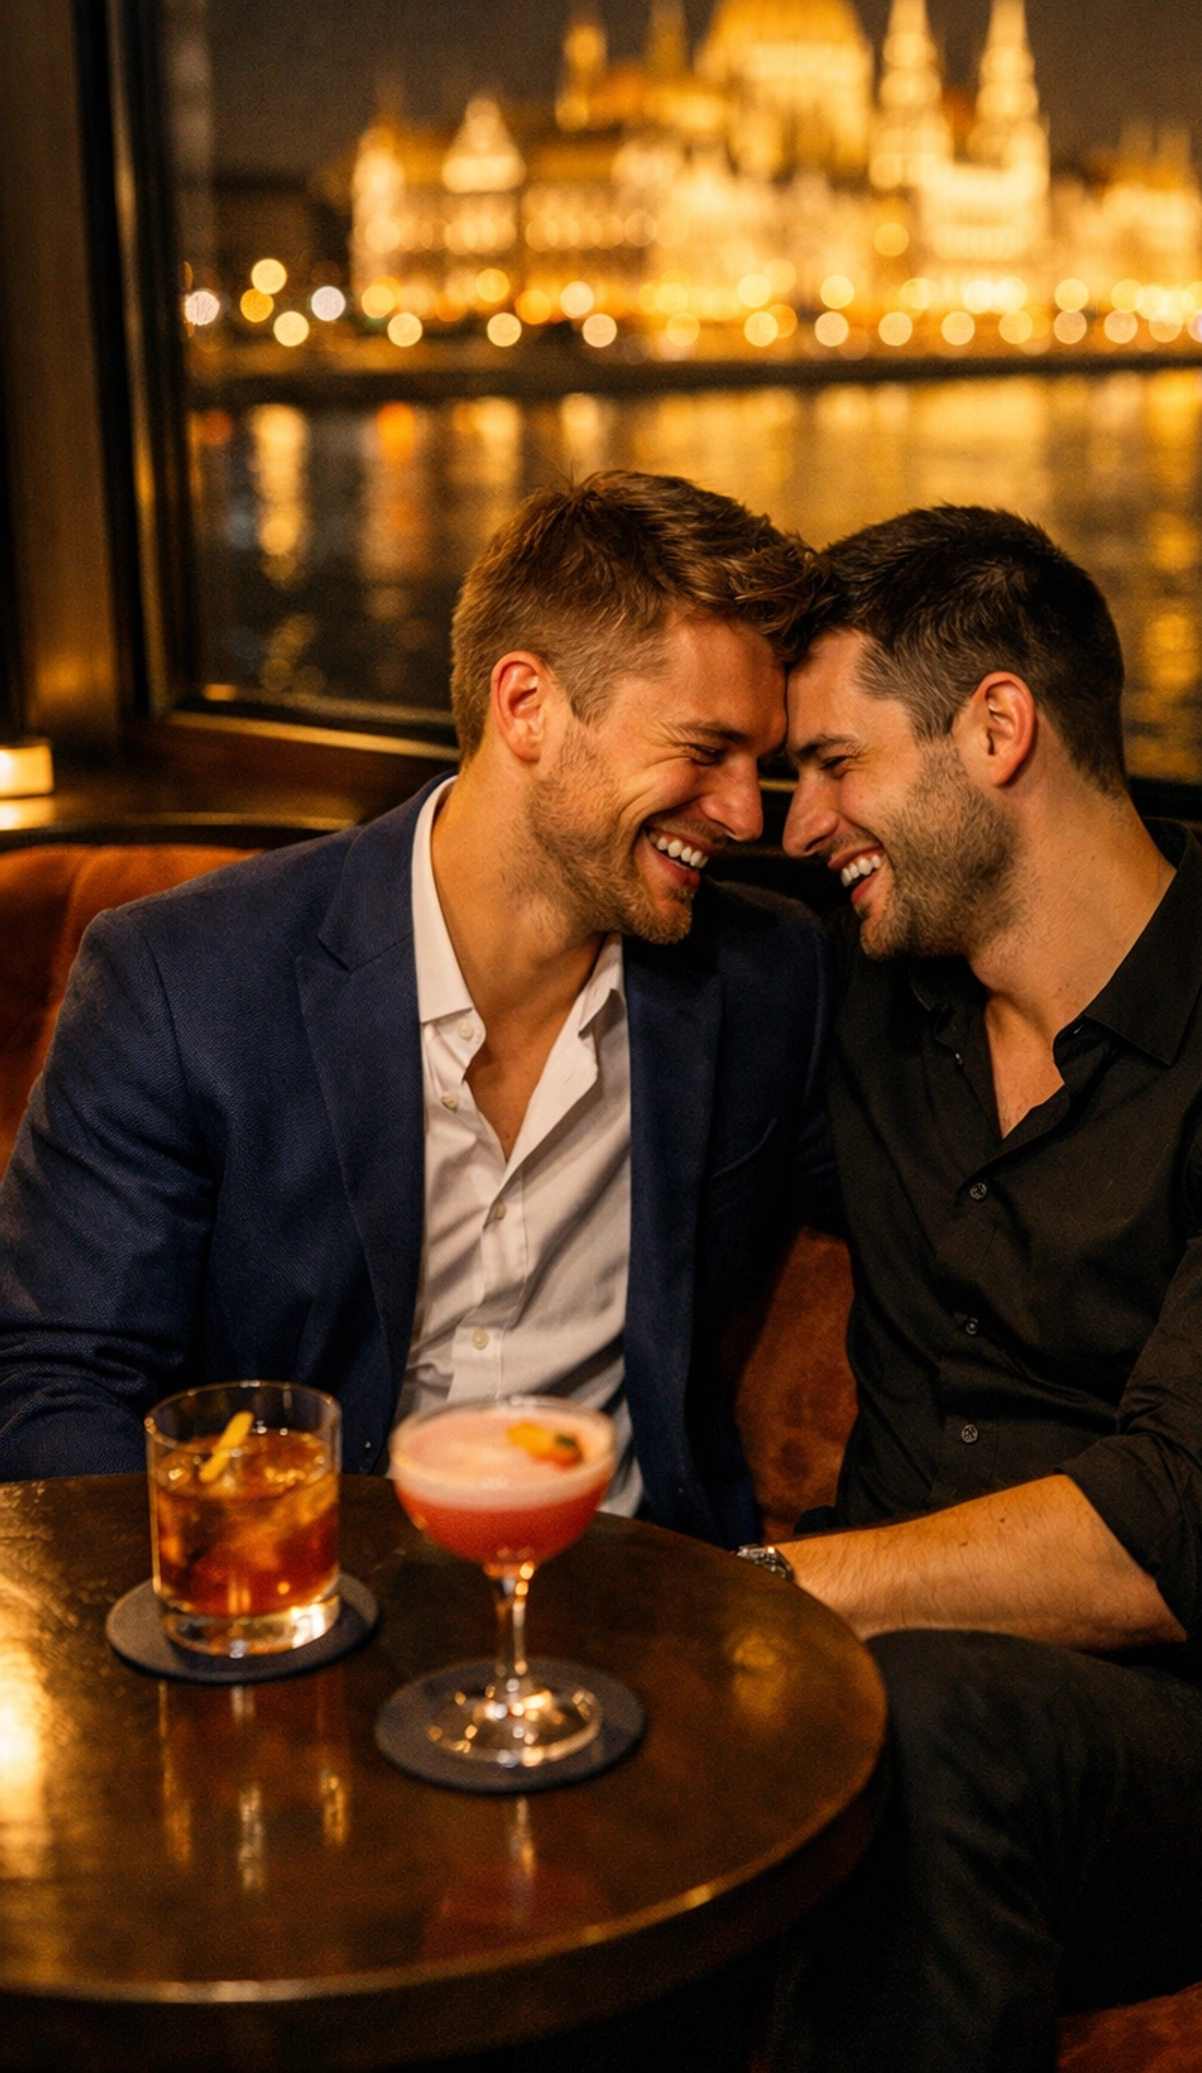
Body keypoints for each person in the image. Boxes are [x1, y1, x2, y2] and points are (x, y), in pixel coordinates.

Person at [765, 505, 1202, 2071]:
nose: (798, 826)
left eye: (832, 764)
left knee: (923, 1723)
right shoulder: (870, 1003)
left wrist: (760, 1599)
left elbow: (1182, 1539)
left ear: (998, 730)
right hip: (859, 1685)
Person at [0, 472, 833, 1544]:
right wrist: (237, 1582)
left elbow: (949, 1213)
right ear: (526, 706)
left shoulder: (771, 978)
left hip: (637, 1595)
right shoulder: (183, 978)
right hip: (307, 1590)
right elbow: (54, 1384)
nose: (744, 813)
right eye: (705, 749)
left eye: (761, 763)